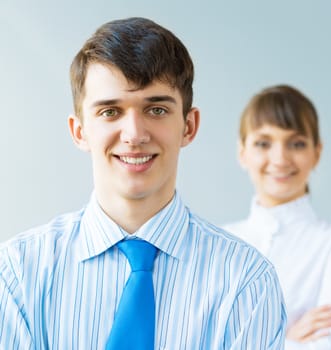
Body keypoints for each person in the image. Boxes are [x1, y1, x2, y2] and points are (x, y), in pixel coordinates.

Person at [0, 17, 286, 349]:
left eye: (157, 109)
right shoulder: (18, 274)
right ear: (79, 131)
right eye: (110, 112)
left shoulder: (246, 281)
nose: (135, 134)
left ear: (189, 126)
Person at [223, 84, 331, 349]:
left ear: (317, 153)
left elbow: (327, 346)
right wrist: (287, 339)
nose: (280, 159)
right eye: (263, 143)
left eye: (296, 144)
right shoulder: (216, 241)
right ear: (243, 153)